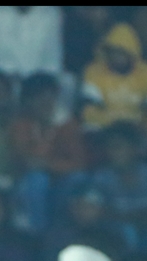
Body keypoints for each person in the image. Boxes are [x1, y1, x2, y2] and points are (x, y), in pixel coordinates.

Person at [9, 73, 89, 235]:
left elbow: (78, 163)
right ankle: (37, 234)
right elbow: (26, 161)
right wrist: (45, 132)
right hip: (27, 184)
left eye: (49, 97)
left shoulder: (67, 124)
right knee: (38, 180)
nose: (45, 102)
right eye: (39, 98)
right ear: (28, 101)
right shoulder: (20, 125)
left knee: (78, 179)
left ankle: (67, 230)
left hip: (60, 182)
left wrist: (48, 165)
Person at [89, 123, 147, 261]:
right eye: (110, 148)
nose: (114, 152)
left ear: (134, 149)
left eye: (119, 147)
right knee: (128, 232)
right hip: (118, 229)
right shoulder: (102, 178)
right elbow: (100, 211)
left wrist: (144, 219)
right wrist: (128, 219)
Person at [81, 23, 147, 136]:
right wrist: (110, 126)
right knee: (90, 129)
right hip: (106, 130)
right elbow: (89, 110)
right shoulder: (93, 72)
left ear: (131, 52)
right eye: (113, 52)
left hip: (141, 129)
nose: (116, 57)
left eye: (121, 52)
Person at [0, 6, 64, 83]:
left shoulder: (50, 12)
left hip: (42, 83)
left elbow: (52, 61)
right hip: (7, 82)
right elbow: (1, 61)